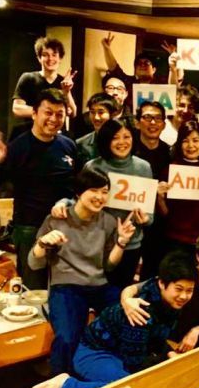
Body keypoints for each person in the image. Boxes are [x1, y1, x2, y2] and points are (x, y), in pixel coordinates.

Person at [25, 251, 197, 388]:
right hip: (93, 352)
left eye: (189, 290)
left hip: (120, 352)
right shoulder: (142, 311)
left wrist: (169, 353)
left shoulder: (170, 302)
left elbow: (157, 338)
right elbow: (135, 365)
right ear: (162, 283)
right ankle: (64, 385)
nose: (184, 296)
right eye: (179, 289)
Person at [29, 166, 136, 375]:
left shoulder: (108, 221)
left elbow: (109, 265)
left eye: (104, 191)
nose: (100, 197)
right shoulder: (57, 219)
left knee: (131, 319)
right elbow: (34, 263)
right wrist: (42, 243)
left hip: (98, 285)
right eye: (94, 190)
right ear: (78, 192)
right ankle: (60, 379)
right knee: (67, 337)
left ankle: (119, 374)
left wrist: (121, 242)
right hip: (66, 287)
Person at [0, 88, 78, 289]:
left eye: (59, 114)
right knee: (33, 290)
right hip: (29, 229)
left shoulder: (69, 146)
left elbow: (76, 187)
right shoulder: (18, 147)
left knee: (65, 288)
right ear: (34, 114)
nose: (54, 119)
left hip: (65, 227)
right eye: (48, 112)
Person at [53, 119, 153, 288]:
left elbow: (150, 216)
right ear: (106, 140)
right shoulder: (93, 166)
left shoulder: (144, 168)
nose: (122, 142)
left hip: (130, 244)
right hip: (96, 243)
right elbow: (79, 200)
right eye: (115, 138)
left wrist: (145, 219)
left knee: (121, 293)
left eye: (126, 136)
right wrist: (62, 203)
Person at [122, 229, 199, 353]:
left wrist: (196, 331)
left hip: (197, 332)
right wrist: (126, 301)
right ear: (198, 256)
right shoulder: (183, 272)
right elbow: (132, 289)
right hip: (169, 332)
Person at [156, 120, 199, 254]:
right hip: (175, 239)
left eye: (195, 140)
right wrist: (160, 198)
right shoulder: (170, 170)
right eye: (185, 141)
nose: (191, 145)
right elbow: (165, 214)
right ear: (179, 144)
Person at [131, 100, 171, 281]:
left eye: (157, 118)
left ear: (164, 124)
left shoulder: (170, 153)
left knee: (152, 273)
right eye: (147, 117)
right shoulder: (127, 148)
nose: (153, 122)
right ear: (137, 122)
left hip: (159, 224)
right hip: (129, 218)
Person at [11, 37, 77, 139]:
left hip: (56, 136)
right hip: (31, 134)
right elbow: (17, 109)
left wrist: (67, 91)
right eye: (45, 55)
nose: (50, 59)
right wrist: (46, 112)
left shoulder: (64, 82)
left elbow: (72, 112)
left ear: (60, 58)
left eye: (54, 55)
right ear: (39, 58)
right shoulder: (28, 78)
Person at [75, 92, 119, 167]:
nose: (96, 117)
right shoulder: (81, 143)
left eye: (101, 112)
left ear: (112, 114)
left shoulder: (123, 141)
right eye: (92, 112)